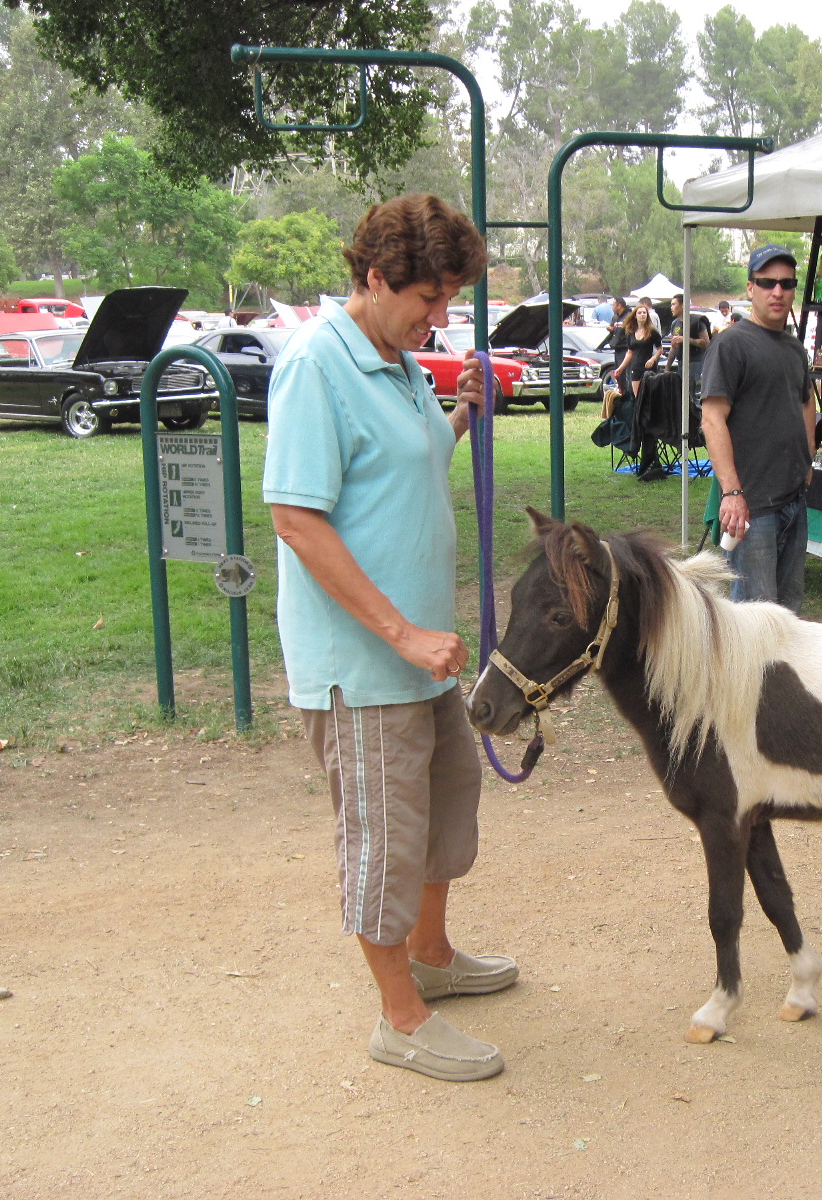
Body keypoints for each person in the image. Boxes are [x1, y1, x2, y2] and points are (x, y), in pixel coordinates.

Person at [263, 194, 515, 1083]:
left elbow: (396, 471)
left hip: (422, 656)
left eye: (448, 298)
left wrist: (455, 416)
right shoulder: (314, 367)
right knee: (383, 841)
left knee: (444, 812)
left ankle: (433, 959)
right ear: (374, 279)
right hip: (368, 665)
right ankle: (398, 1018)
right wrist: (403, 633)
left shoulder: (396, 358)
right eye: (429, 298)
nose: (440, 317)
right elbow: (298, 518)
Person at [701, 243, 815, 612]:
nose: (777, 291)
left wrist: (807, 461)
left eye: (786, 283)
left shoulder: (794, 348)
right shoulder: (731, 344)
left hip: (793, 500)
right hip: (751, 507)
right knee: (755, 619)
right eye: (767, 283)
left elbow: (805, 403)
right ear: (751, 288)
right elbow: (711, 419)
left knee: (789, 615)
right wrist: (732, 493)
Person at [612, 298, 660, 400]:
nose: (642, 315)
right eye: (639, 313)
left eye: (644, 313)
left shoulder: (652, 332)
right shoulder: (630, 333)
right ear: (635, 315)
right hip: (636, 367)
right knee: (637, 398)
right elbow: (630, 352)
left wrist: (653, 359)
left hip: (649, 368)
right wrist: (620, 368)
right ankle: (638, 416)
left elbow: (660, 349)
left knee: (649, 397)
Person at [667, 293, 711, 396]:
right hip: (681, 362)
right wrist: (667, 367)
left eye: (674, 304)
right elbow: (673, 347)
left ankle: (695, 411)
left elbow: (706, 343)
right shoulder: (675, 323)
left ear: (683, 305)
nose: (671, 308)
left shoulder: (696, 321)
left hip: (695, 361)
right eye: (671, 305)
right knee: (682, 394)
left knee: (690, 394)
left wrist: (686, 339)